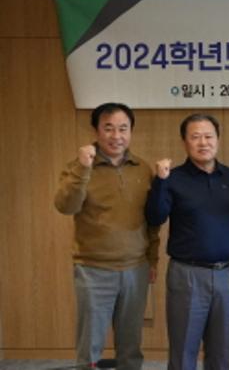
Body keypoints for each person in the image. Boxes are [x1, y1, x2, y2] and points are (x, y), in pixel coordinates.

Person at [54, 102, 160, 370]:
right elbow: (66, 206)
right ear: (96, 131)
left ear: (131, 131)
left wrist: (153, 260)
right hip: (93, 270)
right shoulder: (77, 167)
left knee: (131, 346)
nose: (116, 136)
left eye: (123, 129)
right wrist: (83, 168)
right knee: (90, 346)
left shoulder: (142, 168)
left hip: (136, 268)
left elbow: (151, 221)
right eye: (108, 128)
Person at [144, 113, 229, 370]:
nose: (203, 142)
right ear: (184, 142)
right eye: (195, 137)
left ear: (217, 139)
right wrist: (160, 182)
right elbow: (155, 217)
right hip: (187, 274)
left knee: (220, 351)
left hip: (226, 274)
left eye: (208, 136)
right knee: (183, 350)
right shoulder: (172, 178)